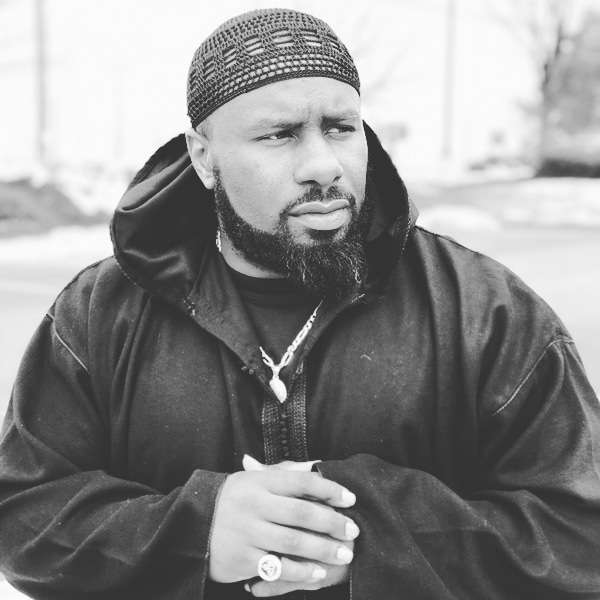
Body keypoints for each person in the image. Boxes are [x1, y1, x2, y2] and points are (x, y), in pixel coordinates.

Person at [1, 7, 599, 600]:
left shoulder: (483, 310)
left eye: (340, 128)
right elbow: (23, 513)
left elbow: (580, 536)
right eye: (279, 134)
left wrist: (361, 533)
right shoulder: (101, 313)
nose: (323, 166)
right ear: (204, 157)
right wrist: (198, 530)